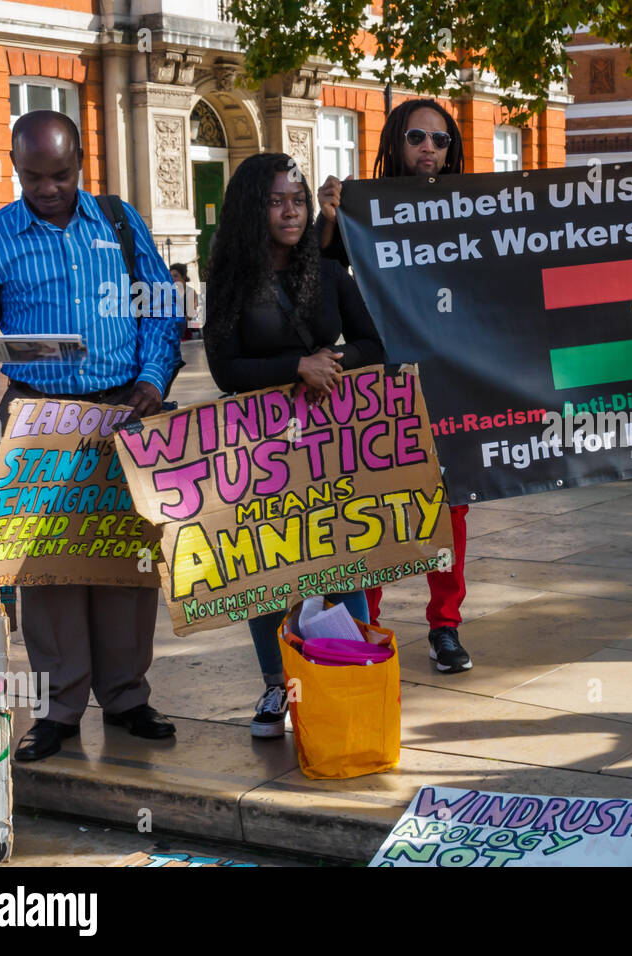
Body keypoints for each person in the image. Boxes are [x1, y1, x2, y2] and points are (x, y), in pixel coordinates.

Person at [0, 110, 181, 760]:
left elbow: (161, 308)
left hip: (122, 413)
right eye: (33, 176)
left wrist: (154, 380)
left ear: (82, 160)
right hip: (38, 416)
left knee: (125, 564)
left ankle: (129, 697)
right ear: (16, 167)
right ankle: (58, 710)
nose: (48, 188)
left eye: (60, 174)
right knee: (46, 574)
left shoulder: (119, 221)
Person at [204, 152, 385, 737]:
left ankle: (351, 674)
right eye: (277, 200)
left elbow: (373, 342)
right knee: (266, 570)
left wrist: (330, 361)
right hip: (259, 445)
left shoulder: (329, 271)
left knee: (339, 560)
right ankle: (277, 688)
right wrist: (294, 367)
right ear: (253, 208)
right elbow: (226, 368)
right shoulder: (229, 277)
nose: (290, 211)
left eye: (299, 200)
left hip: (327, 439)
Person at [316, 98, 474, 675]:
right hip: (378, 383)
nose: (429, 148)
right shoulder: (361, 210)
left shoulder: (471, 208)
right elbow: (316, 272)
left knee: (450, 507)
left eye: (440, 139)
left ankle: (445, 627)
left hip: (448, 381)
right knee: (376, 505)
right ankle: (366, 628)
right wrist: (330, 217)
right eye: (416, 137)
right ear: (395, 144)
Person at [169, 262, 201, 340]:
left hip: (186, 331)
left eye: (176, 276)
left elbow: (190, 316)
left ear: (183, 277)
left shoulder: (191, 293)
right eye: (171, 276)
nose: (173, 279)